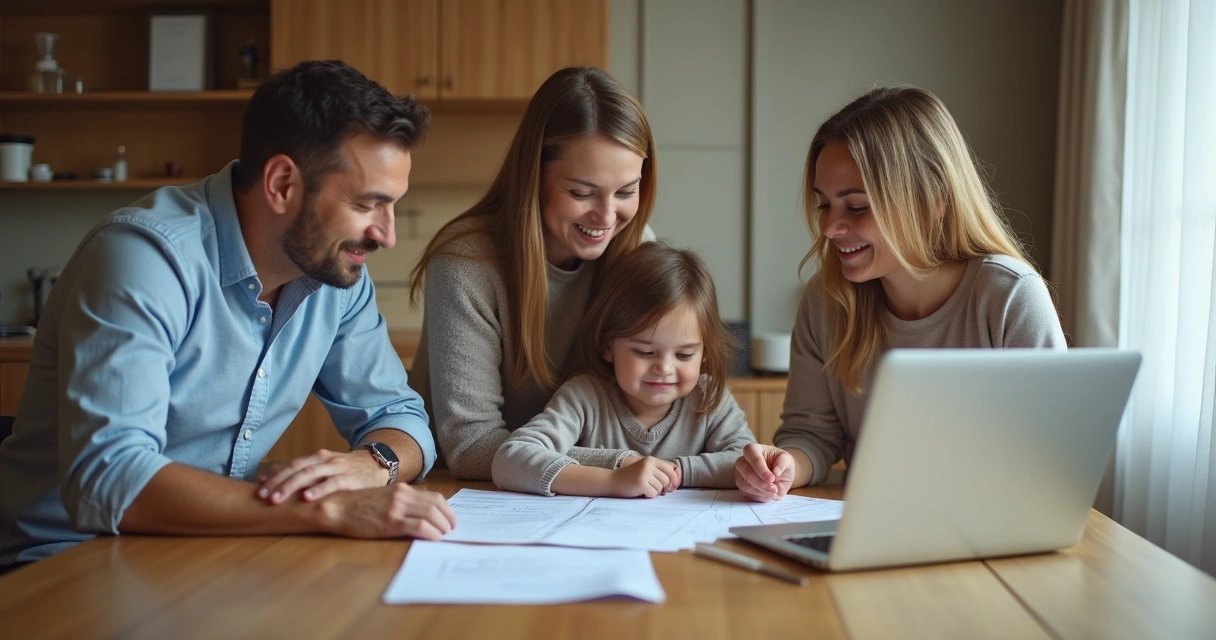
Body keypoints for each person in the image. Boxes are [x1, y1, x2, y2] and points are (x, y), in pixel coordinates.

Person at [0, 60, 457, 572]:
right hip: (63, 565)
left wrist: (371, 466)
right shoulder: (144, 257)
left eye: (393, 205)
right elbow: (110, 480)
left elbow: (401, 417)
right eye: (367, 204)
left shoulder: (336, 275)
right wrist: (326, 509)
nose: (386, 234)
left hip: (211, 550)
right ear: (282, 183)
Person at [735, 86, 1067, 502]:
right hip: (871, 529)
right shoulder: (826, 301)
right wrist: (784, 465)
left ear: (933, 200)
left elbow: (1051, 463)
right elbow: (811, 434)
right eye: (824, 205)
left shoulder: (1009, 298)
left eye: (856, 206)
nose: (829, 228)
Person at [408, 66, 658, 480]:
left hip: (594, 491)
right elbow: (470, 447)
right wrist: (616, 465)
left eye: (626, 191)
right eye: (581, 192)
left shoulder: (637, 247)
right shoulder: (466, 261)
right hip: (467, 492)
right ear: (532, 177)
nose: (608, 216)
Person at [492, 243, 755, 497]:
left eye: (684, 354)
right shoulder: (585, 396)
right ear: (608, 346)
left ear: (704, 352)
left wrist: (676, 471)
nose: (664, 368)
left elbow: (745, 463)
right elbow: (510, 459)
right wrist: (614, 479)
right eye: (644, 352)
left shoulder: (710, 397)